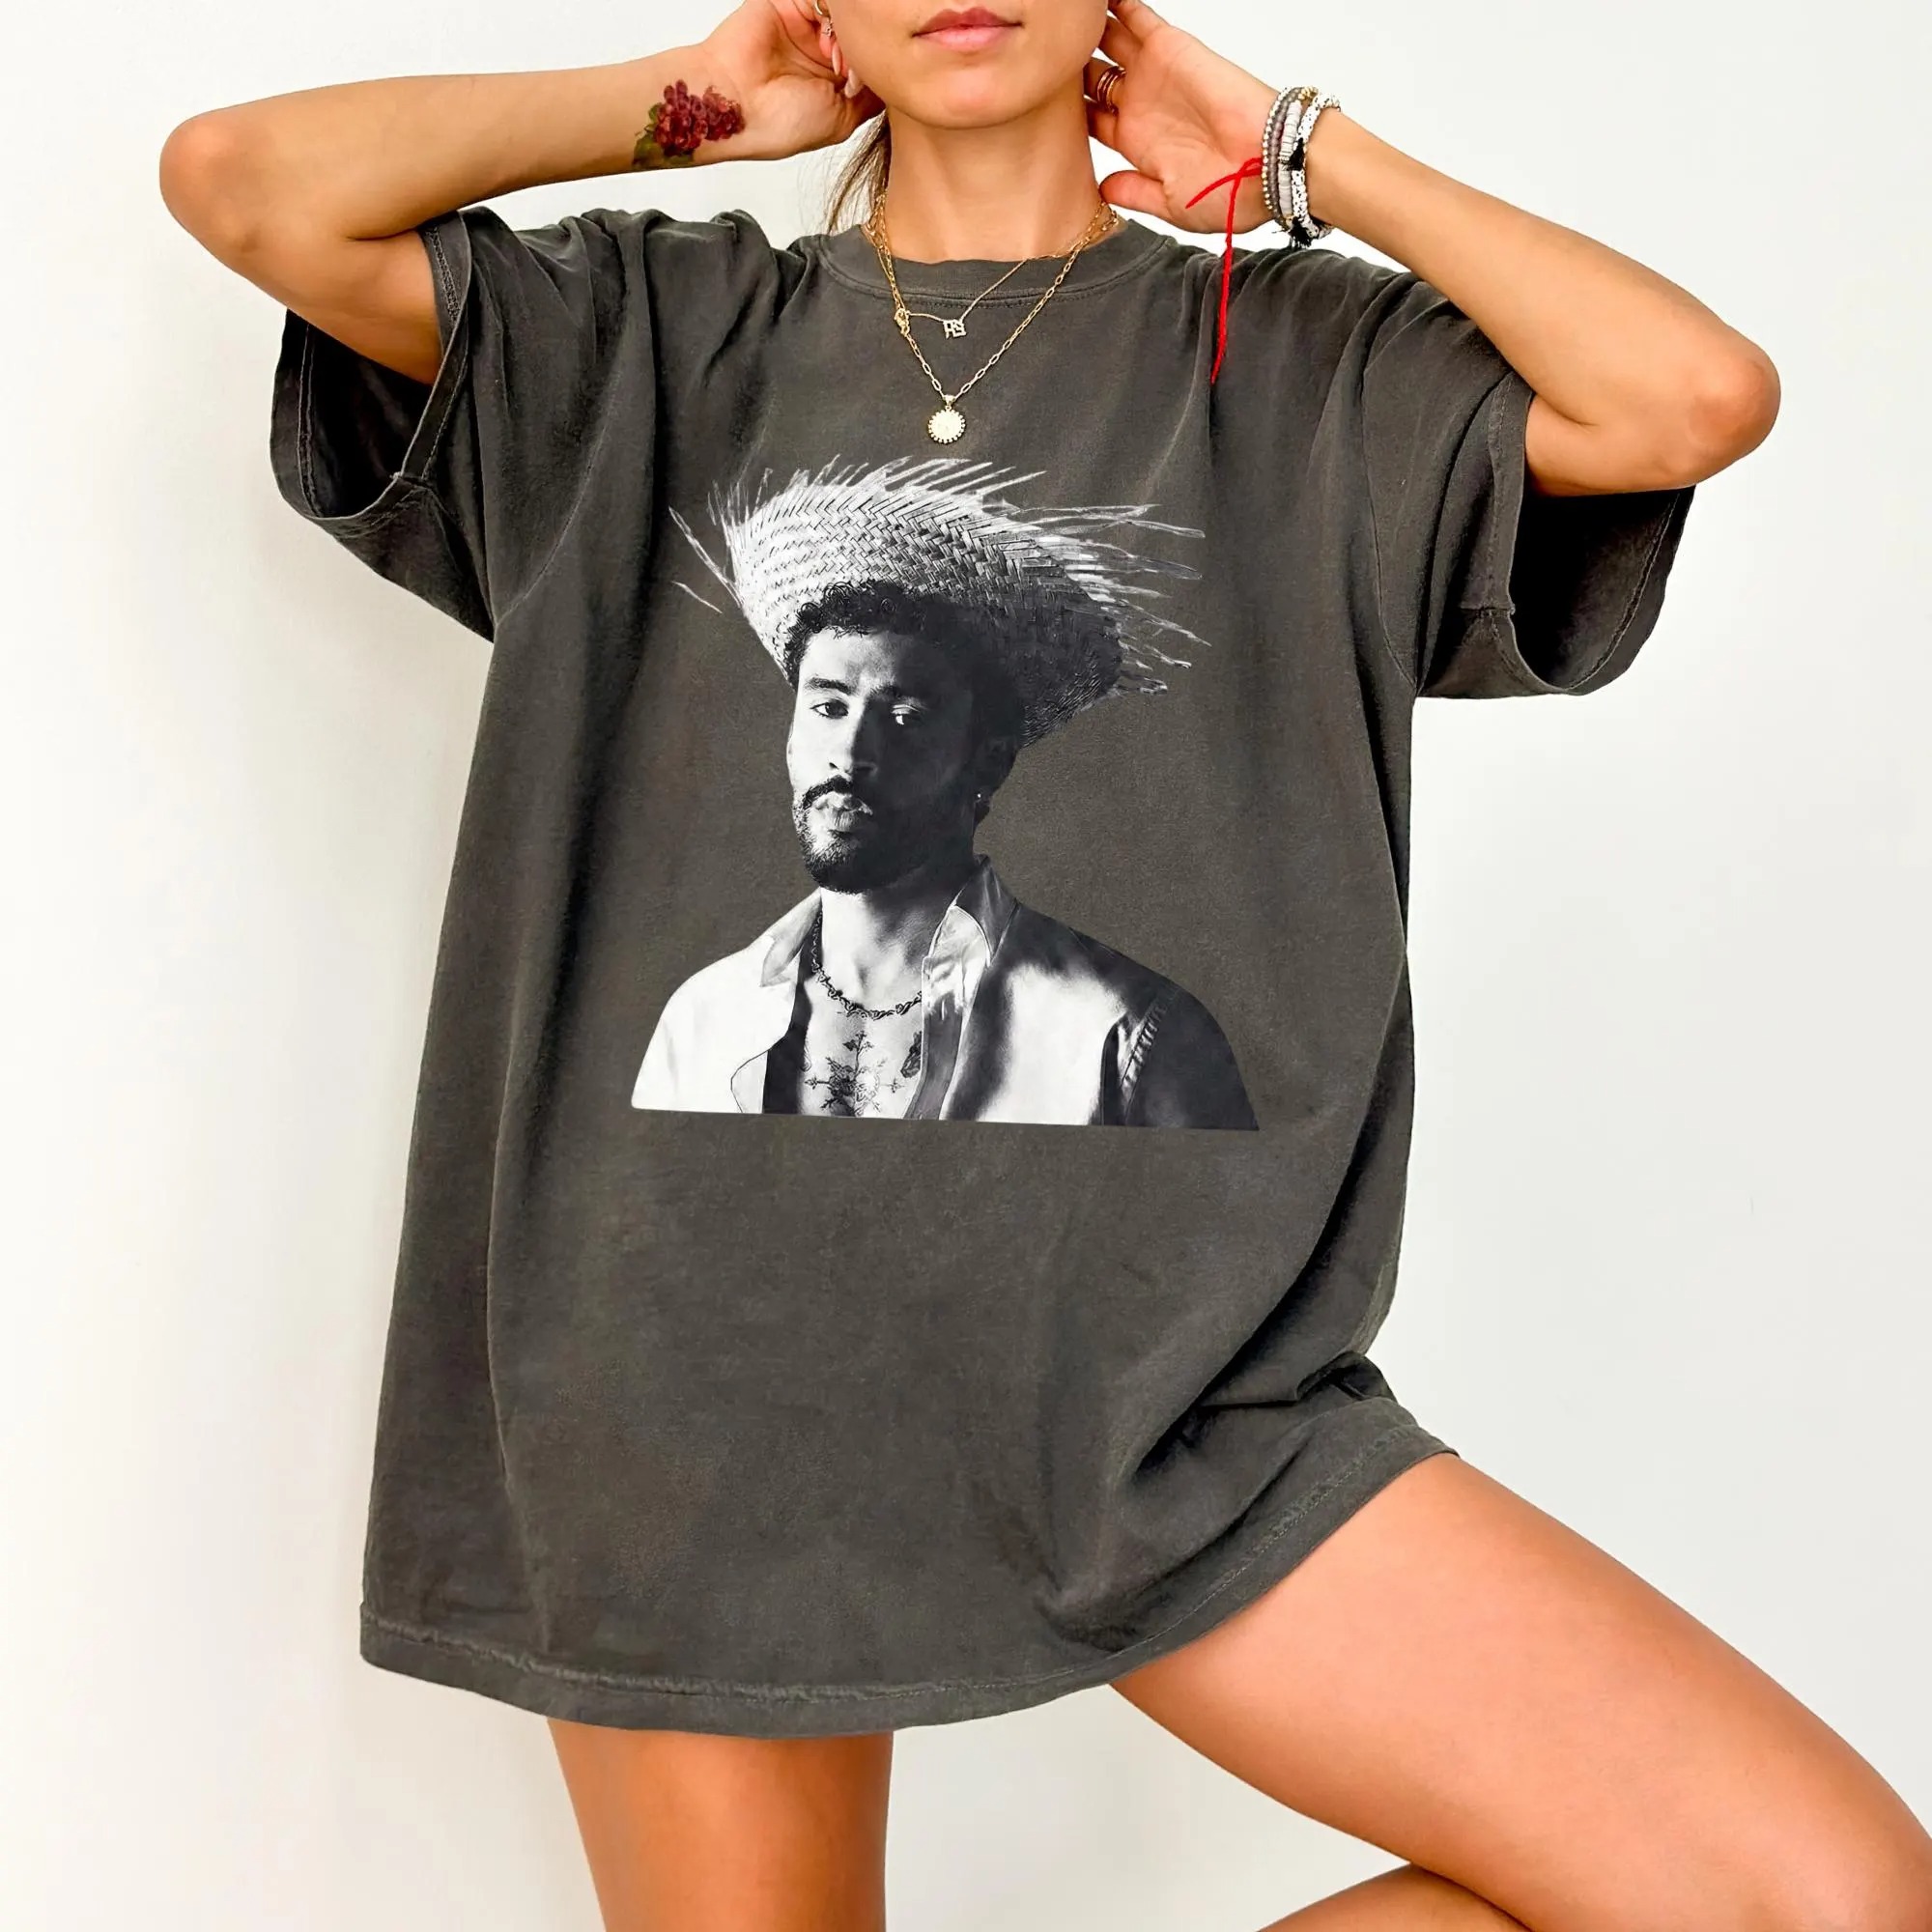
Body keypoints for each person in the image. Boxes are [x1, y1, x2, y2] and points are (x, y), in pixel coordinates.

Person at [158, 1, 1932, 1926]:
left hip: (1178, 1414)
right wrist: (685, 110)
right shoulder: (645, 335)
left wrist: (1301, 155)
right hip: (690, 1397)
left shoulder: (1304, 363)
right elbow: (242, 184)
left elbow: (1689, 398)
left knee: (1817, 1898)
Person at [635, 459, 1259, 1124]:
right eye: (828, 708)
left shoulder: (1122, 1032)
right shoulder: (702, 1019)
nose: (852, 753)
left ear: (988, 762)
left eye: (905, 717)